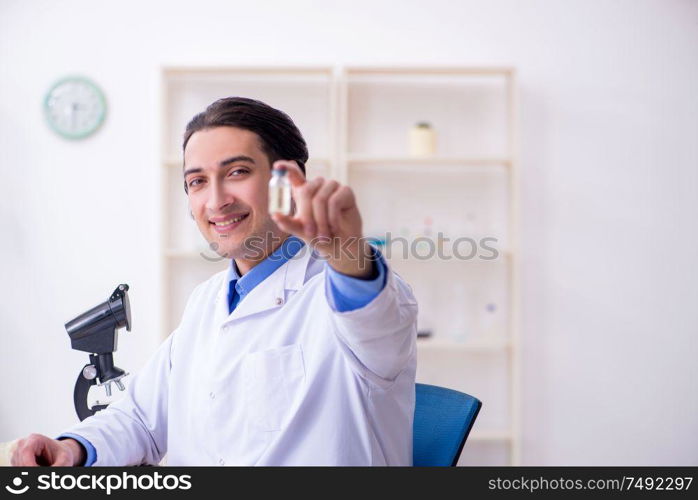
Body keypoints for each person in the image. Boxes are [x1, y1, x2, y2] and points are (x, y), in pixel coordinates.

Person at [11, 97, 418, 466]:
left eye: (237, 172)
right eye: (197, 181)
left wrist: (346, 253)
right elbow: (140, 418)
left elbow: (372, 315)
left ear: (288, 182)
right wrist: (72, 448)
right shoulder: (206, 302)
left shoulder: (351, 295)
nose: (216, 200)